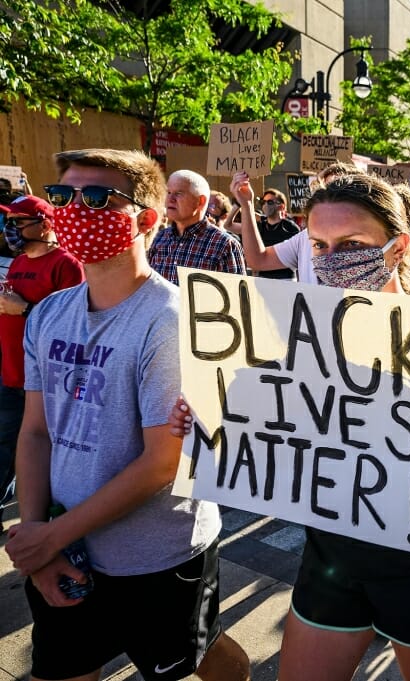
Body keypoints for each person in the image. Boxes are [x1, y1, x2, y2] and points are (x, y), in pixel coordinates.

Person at [179, 171, 410, 681]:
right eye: (318, 244)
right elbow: (274, 434)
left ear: (397, 246)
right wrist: (210, 419)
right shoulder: (296, 341)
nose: (330, 257)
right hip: (331, 556)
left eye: (351, 243)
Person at [4, 148, 250, 681]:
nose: (74, 209)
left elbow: (162, 463)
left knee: (198, 661)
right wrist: (40, 537)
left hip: (157, 556)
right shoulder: (47, 314)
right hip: (65, 543)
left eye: (95, 197)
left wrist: (50, 537)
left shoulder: (169, 321)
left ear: (144, 219)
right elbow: (35, 431)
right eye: (63, 195)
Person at [0, 195, 84, 533]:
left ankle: (52, 522)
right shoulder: (19, 262)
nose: (11, 229)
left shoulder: (66, 264)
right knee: (8, 449)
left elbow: (73, 326)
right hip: (9, 372)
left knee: (40, 452)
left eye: (19, 222)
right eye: (10, 222)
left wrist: (22, 309)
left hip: (45, 382)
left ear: (46, 224)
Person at [147, 169, 246, 285]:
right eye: (168, 192)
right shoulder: (158, 238)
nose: (170, 199)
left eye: (178, 193)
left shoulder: (224, 245)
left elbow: (237, 298)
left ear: (200, 201)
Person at [251, 188, 301, 279]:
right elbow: (229, 226)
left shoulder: (290, 228)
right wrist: (240, 205)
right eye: (263, 202)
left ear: (281, 206)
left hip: (285, 279)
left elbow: (298, 258)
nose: (265, 205)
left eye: (269, 202)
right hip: (263, 279)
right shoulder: (259, 226)